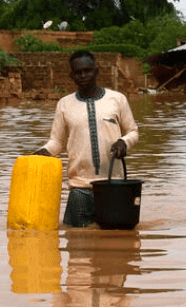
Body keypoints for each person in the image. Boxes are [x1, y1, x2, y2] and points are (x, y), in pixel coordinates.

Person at [34, 51, 139, 227]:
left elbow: (133, 132)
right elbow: (57, 142)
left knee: (115, 243)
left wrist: (124, 142)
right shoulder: (64, 104)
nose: (83, 76)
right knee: (76, 241)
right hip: (79, 187)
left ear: (96, 71)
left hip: (113, 186)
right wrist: (42, 152)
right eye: (78, 72)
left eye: (87, 70)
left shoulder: (117, 99)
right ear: (71, 76)